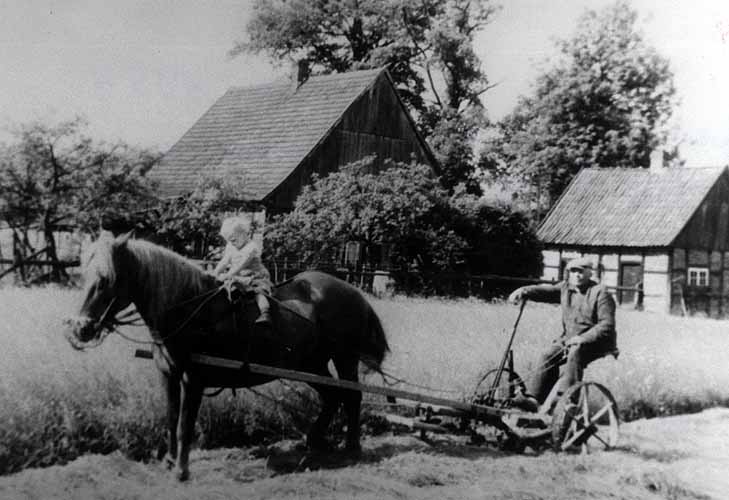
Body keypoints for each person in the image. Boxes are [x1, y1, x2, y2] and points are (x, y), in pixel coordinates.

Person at [507, 256, 618, 411]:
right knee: (547, 355)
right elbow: (545, 291)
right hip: (569, 339)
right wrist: (524, 291)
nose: (577, 275)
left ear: (589, 273)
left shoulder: (600, 293)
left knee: (575, 351)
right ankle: (534, 399)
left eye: (581, 272)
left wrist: (583, 338)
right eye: (573, 271)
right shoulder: (566, 288)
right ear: (568, 273)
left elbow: (607, 325)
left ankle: (565, 400)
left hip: (597, 343)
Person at [213, 216, 273, 327]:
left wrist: (228, 274)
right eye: (229, 240)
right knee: (225, 290)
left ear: (243, 234)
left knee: (258, 292)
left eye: (233, 239)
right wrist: (215, 273)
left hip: (254, 275)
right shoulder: (231, 246)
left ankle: (265, 312)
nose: (232, 242)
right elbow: (224, 261)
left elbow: (241, 265)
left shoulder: (251, 247)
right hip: (238, 277)